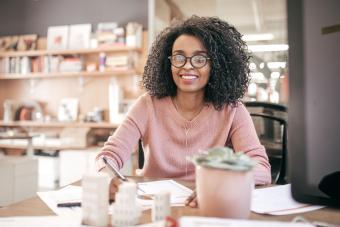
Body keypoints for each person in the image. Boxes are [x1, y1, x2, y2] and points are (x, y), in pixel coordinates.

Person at [96, 15, 271, 207]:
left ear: (216, 64)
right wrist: (107, 176)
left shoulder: (233, 110)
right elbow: (108, 156)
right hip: (154, 207)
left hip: (208, 205)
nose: (187, 66)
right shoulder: (147, 105)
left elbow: (261, 168)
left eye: (199, 58)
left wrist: (224, 181)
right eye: (179, 57)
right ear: (168, 62)